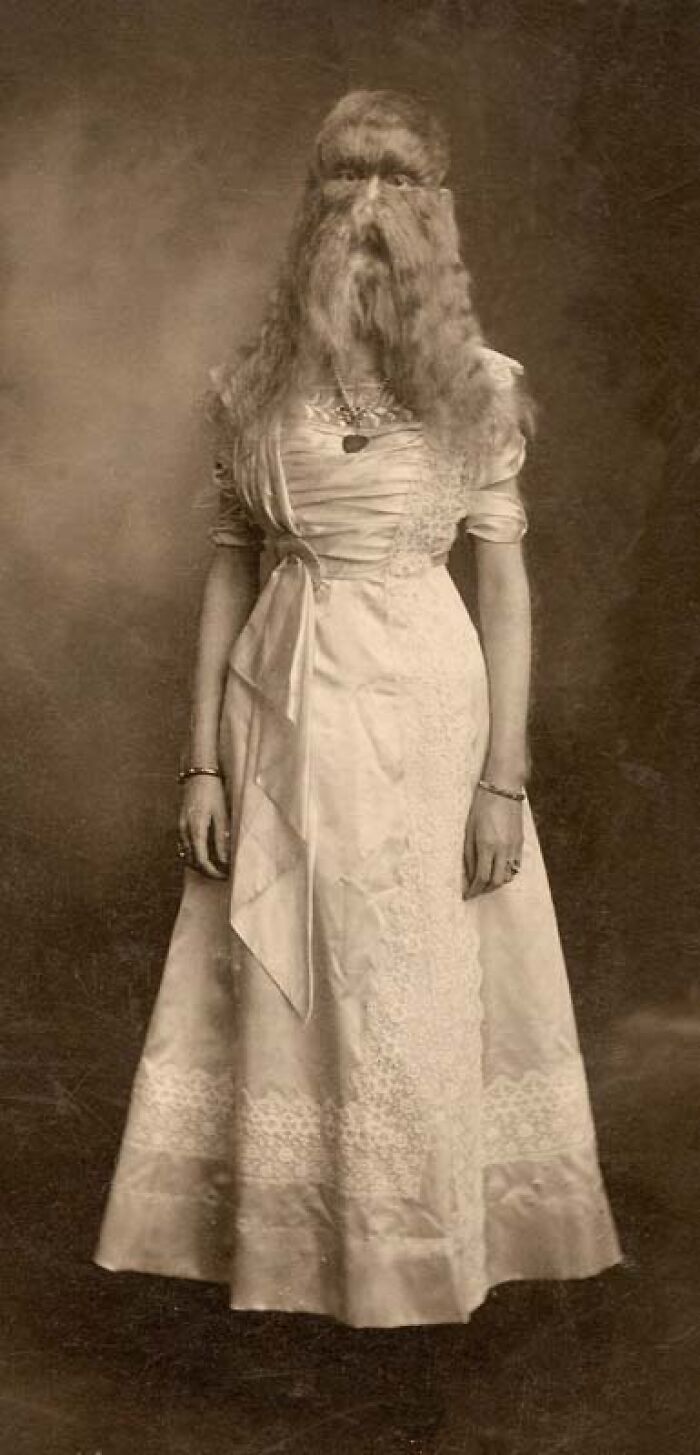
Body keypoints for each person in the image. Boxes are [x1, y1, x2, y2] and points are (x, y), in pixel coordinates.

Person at [95, 89, 621, 1328]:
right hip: (277, 713)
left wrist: (504, 779)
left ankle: (418, 1256)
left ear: (435, 227)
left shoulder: (484, 391)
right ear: (310, 224)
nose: (366, 221)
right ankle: (298, 1257)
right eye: (342, 195)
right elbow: (230, 562)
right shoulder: (248, 387)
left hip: (427, 716)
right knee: (288, 980)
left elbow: (503, 588)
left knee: (410, 972)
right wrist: (201, 768)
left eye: (394, 197)